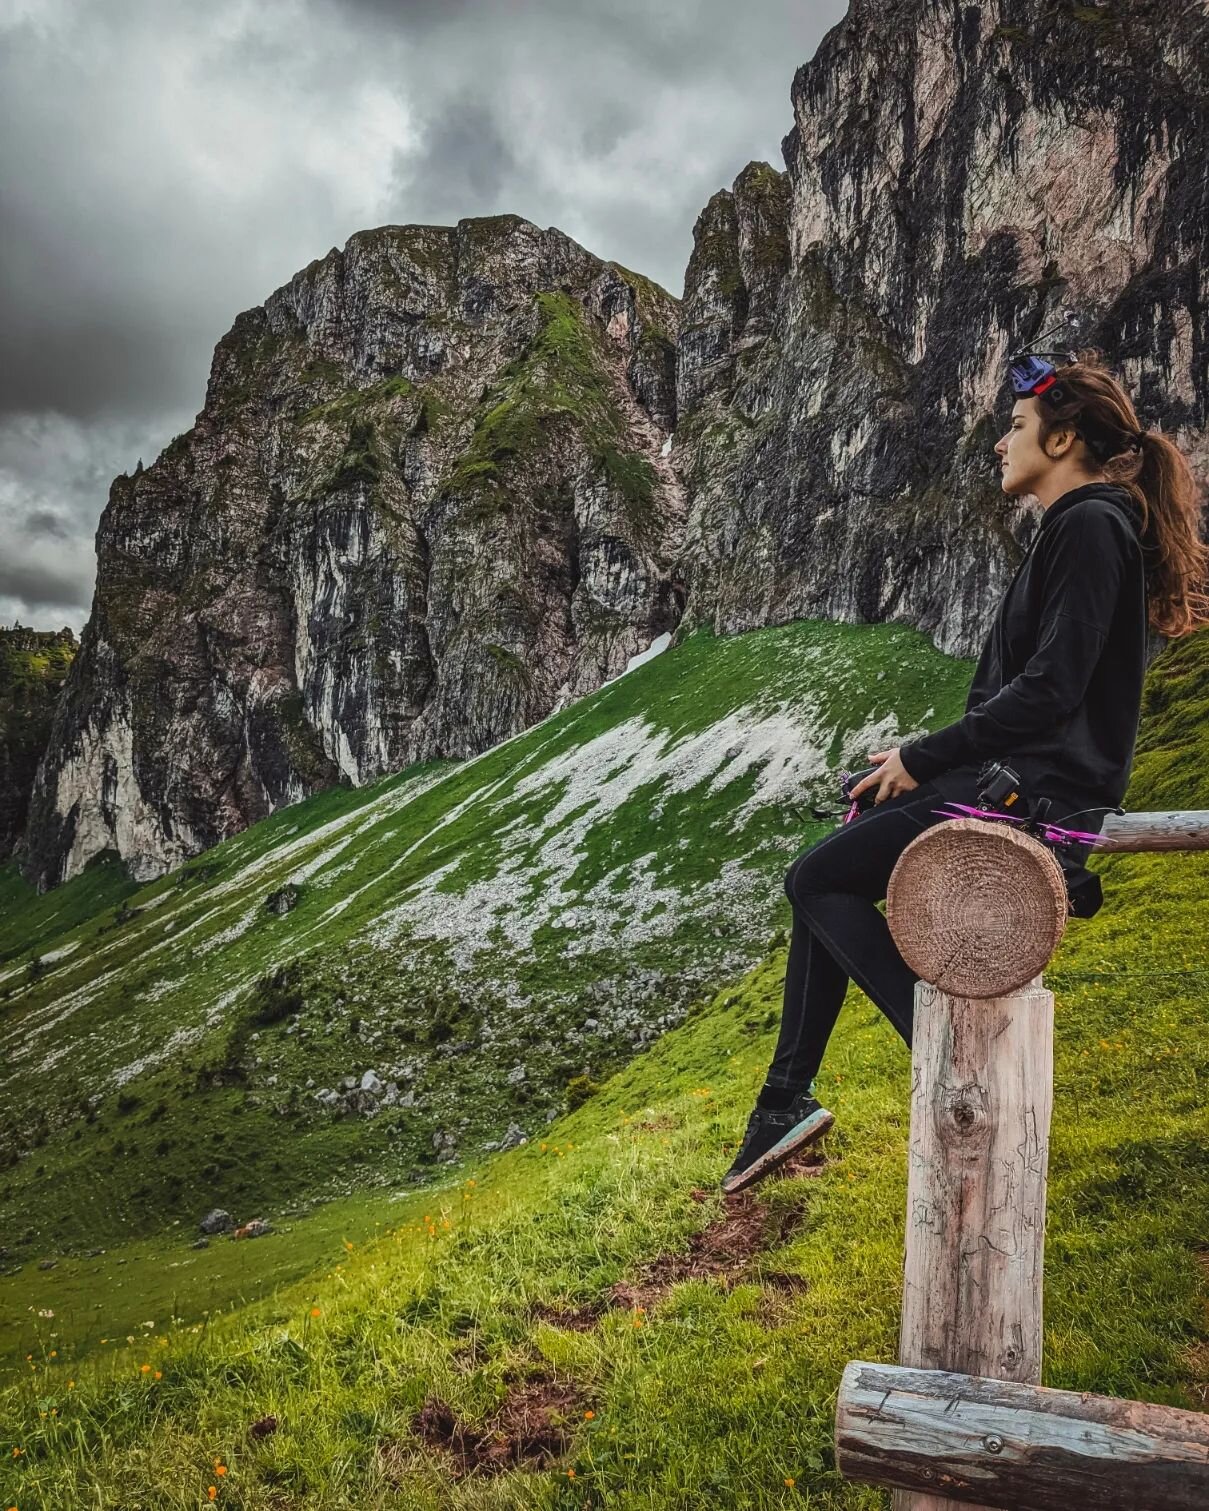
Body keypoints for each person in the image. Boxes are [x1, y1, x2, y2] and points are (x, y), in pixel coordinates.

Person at [721, 354, 1209, 1196]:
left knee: (814, 880)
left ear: (1061, 439)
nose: (998, 443)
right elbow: (1037, 692)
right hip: (1015, 782)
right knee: (837, 845)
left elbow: (1050, 691)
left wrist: (924, 754)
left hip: (1036, 799)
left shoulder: (1090, 525)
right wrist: (914, 763)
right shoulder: (1081, 525)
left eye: (1015, 427)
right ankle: (782, 1101)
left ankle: (937, 1056)